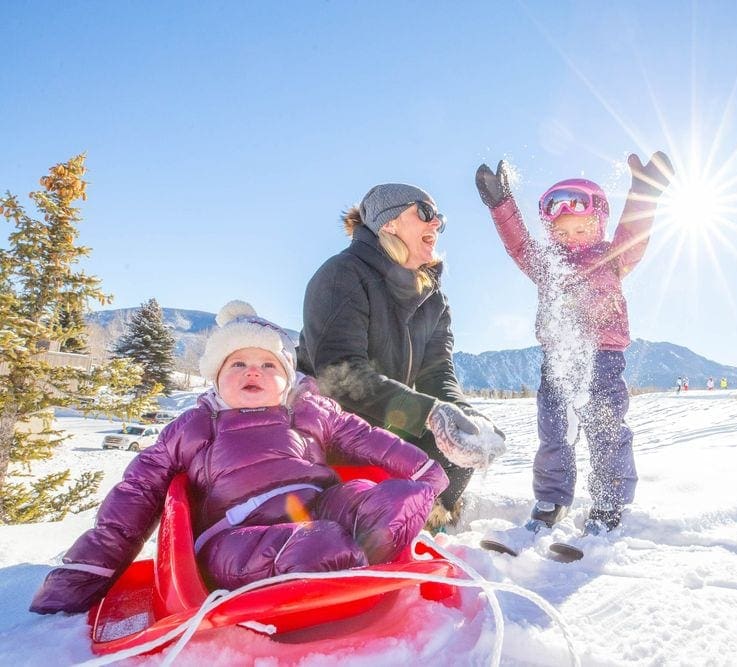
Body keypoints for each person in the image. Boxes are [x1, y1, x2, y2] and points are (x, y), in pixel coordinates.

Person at [30, 301, 449, 614]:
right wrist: (89, 571)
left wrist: (424, 469)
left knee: (379, 494)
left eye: (269, 364)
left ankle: (356, 548)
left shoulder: (308, 411)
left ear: (288, 379)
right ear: (215, 377)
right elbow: (136, 493)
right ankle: (343, 555)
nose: (254, 372)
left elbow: (366, 438)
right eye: (239, 363)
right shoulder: (195, 426)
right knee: (312, 543)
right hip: (236, 535)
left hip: (320, 508)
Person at [475, 152, 672, 534]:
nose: (571, 239)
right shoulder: (546, 263)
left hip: (602, 356)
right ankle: (552, 499)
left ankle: (609, 502)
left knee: (605, 427)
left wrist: (645, 192)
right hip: (558, 358)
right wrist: (501, 205)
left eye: (580, 230)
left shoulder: (613, 256)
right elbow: (518, 246)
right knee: (553, 430)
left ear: (597, 225)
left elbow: (634, 232)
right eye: (562, 233)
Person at [298, 184, 505, 532]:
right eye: (424, 212)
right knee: (434, 433)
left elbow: (437, 372)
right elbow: (339, 374)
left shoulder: (432, 298)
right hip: (329, 426)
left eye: (439, 217)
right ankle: (365, 527)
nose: (436, 222)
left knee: (462, 443)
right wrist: (427, 413)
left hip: (384, 421)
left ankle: (429, 524)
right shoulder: (342, 275)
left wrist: (466, 417)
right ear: (389, 223)